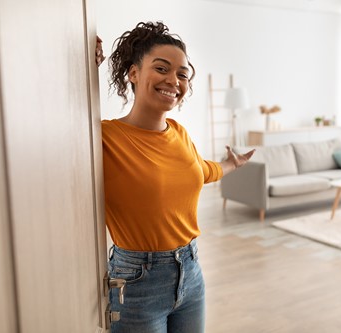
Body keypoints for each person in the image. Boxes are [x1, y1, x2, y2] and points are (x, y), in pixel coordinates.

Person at [97, 21, 254, 333]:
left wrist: (230, 164)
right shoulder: (104, 137)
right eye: (162, 68)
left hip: (191, 272)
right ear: (133, 73)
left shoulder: (179, 134)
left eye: (182, 74)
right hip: (136, 283)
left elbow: (199, 171)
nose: (174, 80)